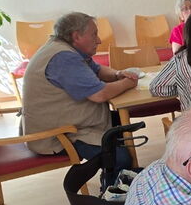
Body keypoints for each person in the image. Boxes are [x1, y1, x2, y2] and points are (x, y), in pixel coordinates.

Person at [21, 11, 137, 187]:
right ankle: (113, 198)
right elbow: (100, 94)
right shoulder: (64, 58)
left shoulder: (64, 47)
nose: (98, 40)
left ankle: (111, 179)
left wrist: (118, 74)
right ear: (76, 36)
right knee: (121, 158)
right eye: (94, 34)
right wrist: (128, 83)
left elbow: (97, 69)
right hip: (58, 134)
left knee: (122, 123)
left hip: (68, 121)